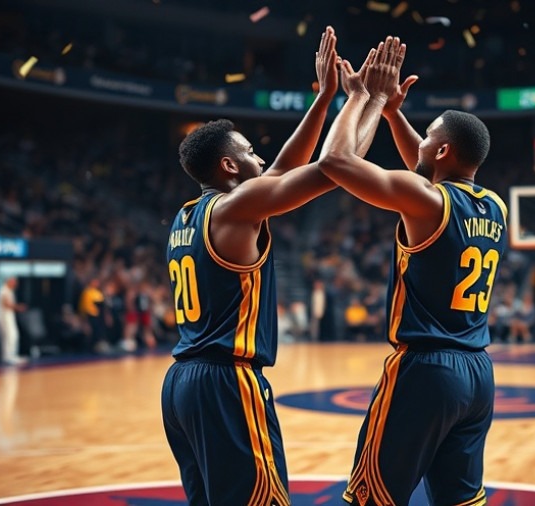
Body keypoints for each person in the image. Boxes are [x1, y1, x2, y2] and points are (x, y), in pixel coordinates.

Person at [160, 27, 384, 505]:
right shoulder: (237, 207)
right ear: (228, 166)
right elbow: (336, 166)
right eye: (248, 152)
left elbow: (280, 171)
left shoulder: (188, 215)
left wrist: (324, 98)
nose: (260, 156)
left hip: (181, 384)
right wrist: (363, 100)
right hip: (226, 381)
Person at [319, 36, 504, 506]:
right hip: (478, 373)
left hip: (425, 370)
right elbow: (425, 168)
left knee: (371, 497)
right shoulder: (494, 205)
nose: (419, 141)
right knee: (459, 500)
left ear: (441, 152)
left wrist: (364, 96)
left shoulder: (427, 200)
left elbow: (336, 162)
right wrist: (394, 116)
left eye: (428, 136)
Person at [0, 277, 27, 365]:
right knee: (11, 336)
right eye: (14, 283)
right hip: (5, 317)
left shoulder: (9, 291)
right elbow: (6, 304)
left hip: (8, 316)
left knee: (11, 336)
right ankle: (8, 356)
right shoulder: (4, 290)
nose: (15, 285)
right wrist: (18, 307)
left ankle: (9, 355)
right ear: (10, 281)